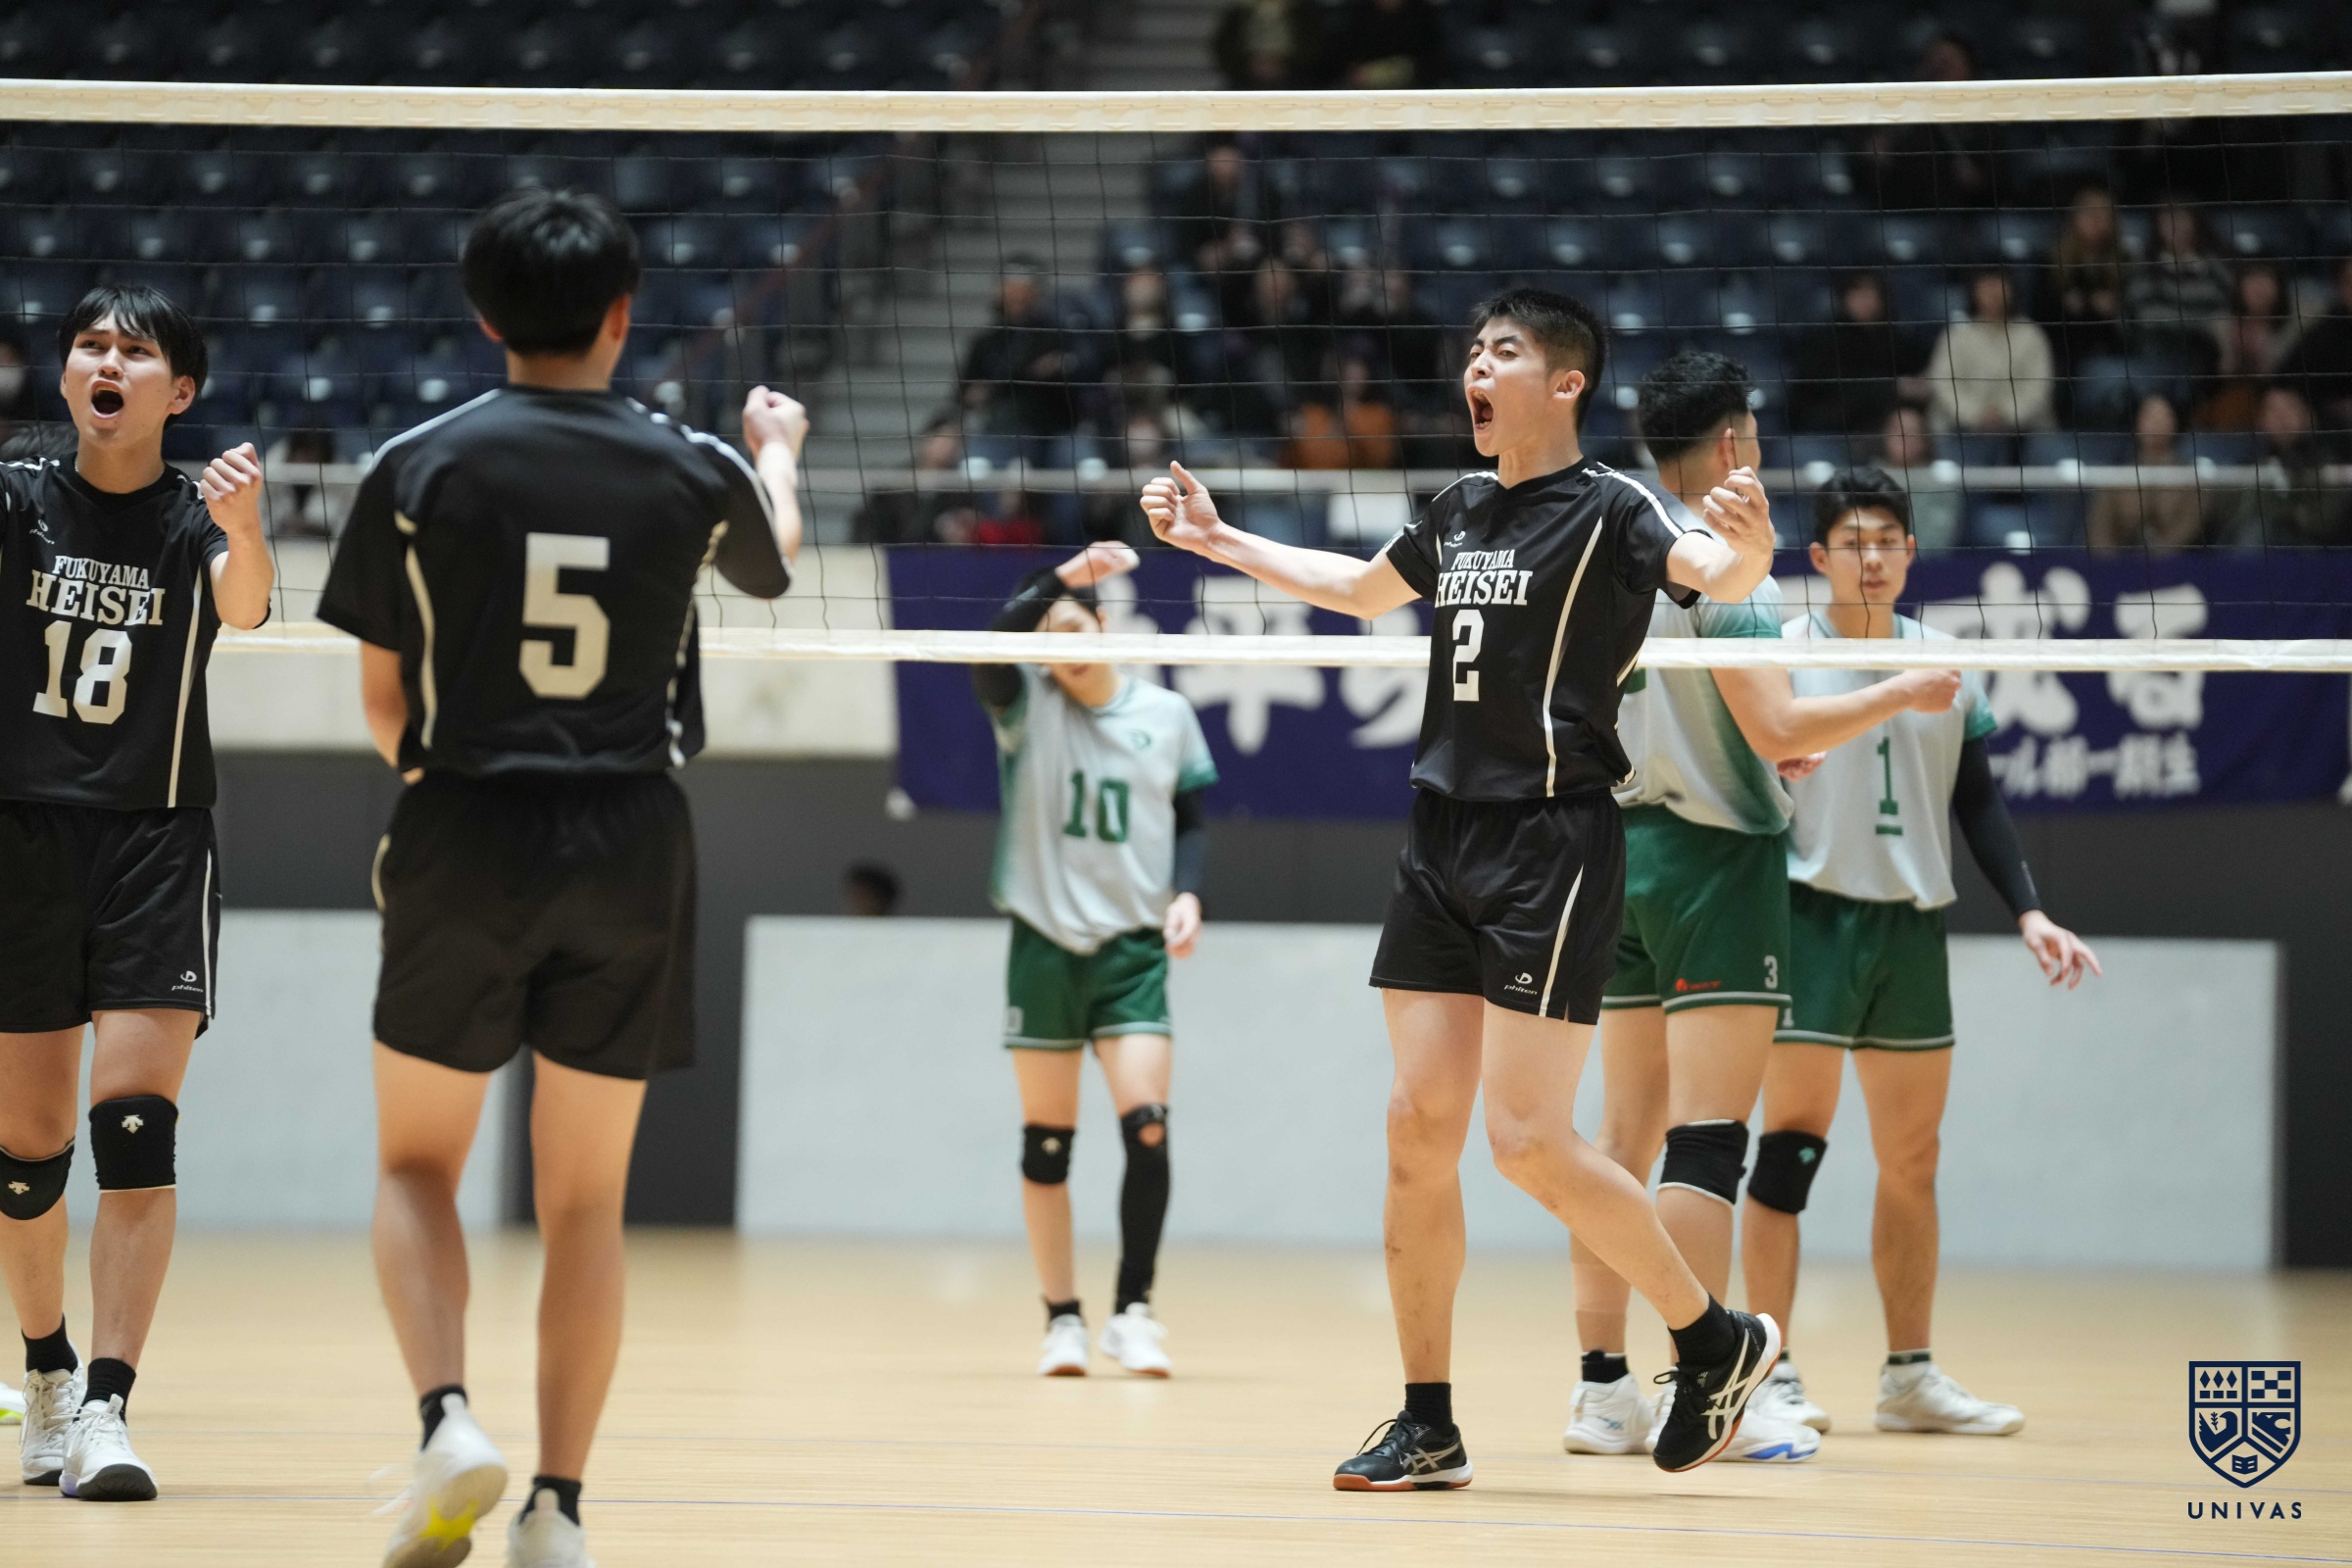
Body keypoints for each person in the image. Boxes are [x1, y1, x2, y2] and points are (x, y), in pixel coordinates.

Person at [1143, 286, 1785, 1488]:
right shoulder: (1459, 509)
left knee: (1527, 1143)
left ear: (1566, 382)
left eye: (1503, 353)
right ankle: (1428, 1420)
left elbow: (1715, 568)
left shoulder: (1612, 508)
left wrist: (1749, 545)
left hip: (1551, 840)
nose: (1475, 372)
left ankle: (1715, 1338)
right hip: (1439, 836)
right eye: (1473, 354)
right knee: (1415, 1128)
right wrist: (1219, 541)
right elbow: (1357, 588)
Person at [317, 189, 802, 1568]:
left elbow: (385, 705)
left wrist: (459, 791)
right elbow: (775, 564)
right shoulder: (693, 464)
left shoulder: (416, 466)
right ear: (622, 315)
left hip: (465, 822)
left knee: (417, 1162)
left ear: (484, 317)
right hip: (632, 840)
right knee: (586, 1199)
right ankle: (561, 1512)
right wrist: (778, 449)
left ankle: (446, 1421)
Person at [1566, 353, 1963, 1465]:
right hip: (1715, 863)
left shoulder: (1606, 544)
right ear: (1736, 444)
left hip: (1613, 853)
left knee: (1616, 1139)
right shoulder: (1733, 564)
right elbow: (1781, 728)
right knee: (1703, 1140)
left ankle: (1600, 1392)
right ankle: (1707, 1393)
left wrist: (1750, 744)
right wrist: (1901, 688)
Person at [1740, 467, 2100, 1441]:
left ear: (1910, 552)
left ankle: (1909, 1375)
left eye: (1888, 541)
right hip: (1809, 917)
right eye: (1854, 542)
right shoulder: (1780, 654)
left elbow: (1976, 797)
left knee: (1913, 1158)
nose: (1873, 557)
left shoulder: (1942, 660)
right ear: (1818, 558)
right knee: (1789, 1151)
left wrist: (2030, 912)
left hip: (1910, 927)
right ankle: (1769, 1373)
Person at [0, 283, 272, 1500]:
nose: (107, 361)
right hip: (21, 837)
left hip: (156, 840)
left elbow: (245, 603)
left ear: (181, 390)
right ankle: (47, 1368)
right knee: (27, 1152)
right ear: (68, 375)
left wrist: (249, 526)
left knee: (134, 1129)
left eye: (135, 349)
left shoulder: (192, 514)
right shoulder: (17, 494)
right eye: (90, 345)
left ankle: (108, 1408)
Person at [971, 541, 1216, 1378]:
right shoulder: (1026, 707)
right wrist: (1067, 576)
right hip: (1043, 946)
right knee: (1048, 1144)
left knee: (1148, 1126)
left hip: (1131, 952)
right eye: (1048, 638)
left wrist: (1189, 893)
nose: (1063, 647)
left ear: (1105, 627)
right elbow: (995, 642)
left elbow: (1191, 816)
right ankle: (1062, 1320)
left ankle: (1134, 1311)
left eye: (1074, 627)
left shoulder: (1166, 714)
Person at [958, 258, 1078, 457]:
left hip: (1057, 429)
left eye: (1025, 290)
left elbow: (1075, 379)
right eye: (1012, 289)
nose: (1018, 296)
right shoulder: (986, 342)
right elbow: (965, 393)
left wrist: (995, 386)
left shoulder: (1056, 336)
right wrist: (1030, 373)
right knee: (978, 462)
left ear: (1038, 293)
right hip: (1001, 429)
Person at [2215, 384, 2351, 548]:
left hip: (2312, 549)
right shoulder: (2248, 462)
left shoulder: (2328, 463)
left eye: (2289, 408)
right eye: (2272, 410)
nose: (2281, 417)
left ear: (2308, 416)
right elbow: (2234, 515)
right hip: (2256, 546)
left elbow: (2325, 521)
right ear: (2261, 419)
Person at [1920, 270, 2054, 437]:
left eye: (1998, 288)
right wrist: (1976, 415)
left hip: (2025, 431)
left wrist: (2005, 414)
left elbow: (2039, 388)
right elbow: (1943, 385)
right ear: (1974, 293)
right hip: (1962, 430)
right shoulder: (1957, 334)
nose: (1993, 295)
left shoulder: (2031, 334)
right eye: (1986, 289)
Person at [1788, 272, 1907, 443]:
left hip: (1878, 426)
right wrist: (1892, 387)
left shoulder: (1893, 337)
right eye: (1857, 293)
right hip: (1829, 425)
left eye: (1871, 293)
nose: (1865, 300)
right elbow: (1837, 390)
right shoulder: (1825, 339)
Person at [2085, 394, 2205, 554]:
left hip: (2177, 563)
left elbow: (2188, 527)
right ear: (2138, 423)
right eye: (2150, 417)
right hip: (2122, 563)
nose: (2156, 424)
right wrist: (2110, 563)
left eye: (2162, 417)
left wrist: (2159, 556)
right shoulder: (2116, 480)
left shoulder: (2191, 481)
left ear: (2174, 422)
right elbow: (2099, 529)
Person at [2126, 200, 2233, 375]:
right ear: (2158, 228)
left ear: (2195, 224)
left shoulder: (2216, 269)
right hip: (2154, 359)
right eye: (2169, 222)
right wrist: (2205, 324)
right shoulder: (2143, 269)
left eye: (2184, 220)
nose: (2177, 228)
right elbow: (2147, 318)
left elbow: (2226, 311)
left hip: (2207, 362)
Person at [2042, 186, 2127, 368]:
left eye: (2103, 215)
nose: (2096, 222)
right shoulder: (2052, 260)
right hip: (2063, 352)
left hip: (2111, 351)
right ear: (2074, 219)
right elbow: (2041, 313)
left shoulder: (2125, 260)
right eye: (2089, 214)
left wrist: (2115, 305)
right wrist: (2067, 305)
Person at [2277, 255, 2352, 435]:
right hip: (2332, 427)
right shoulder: (2324, 333)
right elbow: (2285, 380)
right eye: (2350, 282)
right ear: (2338, 287)